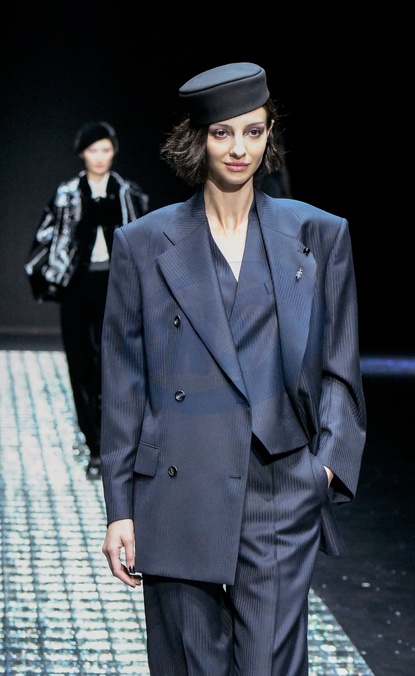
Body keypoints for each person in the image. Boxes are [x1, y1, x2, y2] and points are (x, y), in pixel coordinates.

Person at [100, 63, 367, 675]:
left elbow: (340, 368)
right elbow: (123, 384)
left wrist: (323, 470)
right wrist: (119, 507)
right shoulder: (144, 244)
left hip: (279, 489)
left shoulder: (319, 235)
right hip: (177, 490)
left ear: (269, 134)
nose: (239, 148)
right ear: (198, 139)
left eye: (253, 130)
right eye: (222, 133)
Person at [24, 121, 150, 479]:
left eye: (105, 149)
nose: (99, 156)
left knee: (116, 364)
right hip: (78, 287)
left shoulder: (128, 194)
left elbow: (146, 240)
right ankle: (95, 445)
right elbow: (46, 239)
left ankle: (115, 444)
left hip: (116, 285)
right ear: (82, 153)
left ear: (114, 152)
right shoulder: (66, 195)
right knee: (81, 364)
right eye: (93, 150)